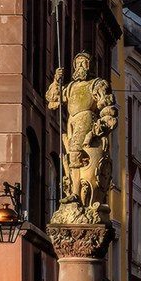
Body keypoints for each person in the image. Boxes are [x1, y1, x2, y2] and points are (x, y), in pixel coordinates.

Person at [45, 52, 118, 222]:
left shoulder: (97, 84)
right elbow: (52, 99)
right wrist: (56, 81)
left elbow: (108, 109)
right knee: (71, 157)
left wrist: (100, 126)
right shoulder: (70, 87)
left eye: (84, 63)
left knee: (74, 151)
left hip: (86, 119)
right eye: (77, 63)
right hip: (72, 122)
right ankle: (73, 191)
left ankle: (76, 193)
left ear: (90, 65)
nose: (80, 66)